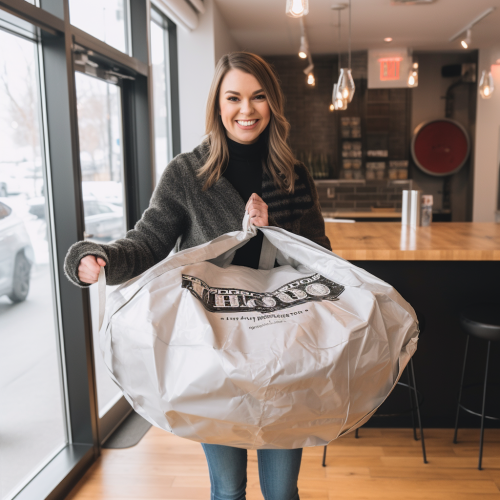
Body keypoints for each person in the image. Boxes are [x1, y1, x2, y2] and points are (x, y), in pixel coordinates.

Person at [64, 51, 331, 500]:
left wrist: (276, 231)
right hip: (213, 353)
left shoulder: (293, 175)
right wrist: (98, 256)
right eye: (234, 98)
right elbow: (148, 242)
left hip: (283, 353)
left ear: (273, 103)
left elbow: (321, 256)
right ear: (217, 104)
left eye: (258, 97)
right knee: (227, 491)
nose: (246, 110)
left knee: (282, 493)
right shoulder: (187, 174)